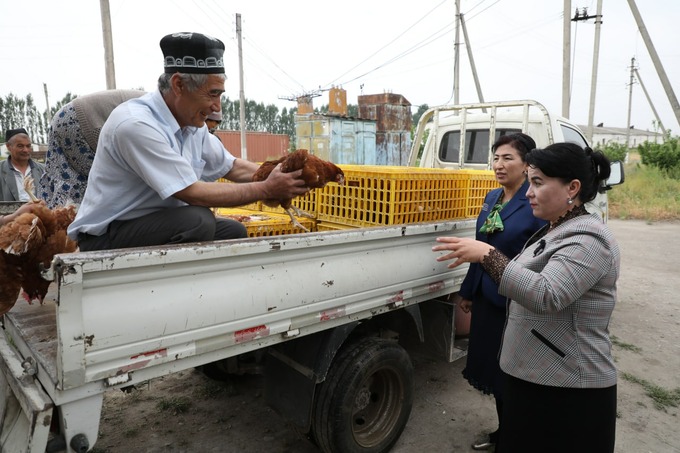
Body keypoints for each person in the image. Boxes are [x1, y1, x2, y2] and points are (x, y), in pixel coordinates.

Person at [433, 142, 619, 453]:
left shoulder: (589, 238)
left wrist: (487, 255)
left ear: (572, 188)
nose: (529, 192)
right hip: (539, 376)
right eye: (530, 181)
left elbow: (547, 293)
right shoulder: (556, 228)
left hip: (567, 386)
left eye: (538, 182)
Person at [67, 32, 307, 251]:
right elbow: (192, 193)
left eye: (219, 95)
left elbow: (232, 167)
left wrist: (283, 174)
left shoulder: (192, 125)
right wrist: (266, 188)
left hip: (159, 224)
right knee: (198, 221)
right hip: (109, 233)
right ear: (179, 85)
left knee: (234, 232)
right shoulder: (136, 125)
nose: (216, 107)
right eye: (212, 94)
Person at [456, 133, 547, 451]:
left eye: (507, 158)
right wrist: (467, 291)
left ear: (526, 165)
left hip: (515, 303)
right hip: (486, 300)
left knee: (513, 375)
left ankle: (516, 437)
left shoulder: (534, 204)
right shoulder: (492, 197)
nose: (498, 164)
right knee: (494, 371)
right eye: (495, 158)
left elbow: (539, 258)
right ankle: (504, 430)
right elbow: (479, 248)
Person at [38, 89, 145, 208]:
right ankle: (71, 221)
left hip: (66, 115)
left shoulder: (157, 99)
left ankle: (50, 214)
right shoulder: (161, 108)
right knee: (97, 185)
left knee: (65, 177)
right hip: (81, 122)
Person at [1, 128, 45, 201]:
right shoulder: (1, 170)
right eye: (20, 146)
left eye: (28, 146)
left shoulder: (43, 170)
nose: (25, 150)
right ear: (8, 146)